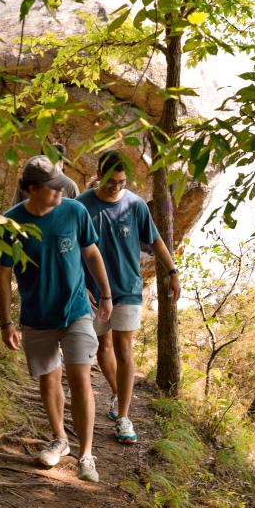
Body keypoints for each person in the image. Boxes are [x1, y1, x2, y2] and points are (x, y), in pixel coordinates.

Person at [0, 155, 113, 483]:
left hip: (75, 311)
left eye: (62, 185)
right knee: (49, 378)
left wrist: (105, 293)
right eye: (53, 188)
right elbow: (3, 275)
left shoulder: (74, 211)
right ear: (32, 189)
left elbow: (91, 252)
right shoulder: (10, 224)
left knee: (80, 379)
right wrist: (6, 322)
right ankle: (60, 438)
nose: (61, 192)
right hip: (36, 316)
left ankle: (86, 454)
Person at [76, 151, 181, 444]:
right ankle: (115, 392)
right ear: (99, 174)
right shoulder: (82, 205)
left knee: (124, 348)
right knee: (102, 346)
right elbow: (70, 246)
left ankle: (123, 416)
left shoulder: (134, 205)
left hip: (127, 288)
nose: (116, 187)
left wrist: (172, 271)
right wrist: (78, 283)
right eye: (111, 182)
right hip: (92, 290)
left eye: (121, 182)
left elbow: (156, 239)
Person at [11, 143, 79, 205]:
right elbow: (14, 209)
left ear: (62, 163)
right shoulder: (27, 181)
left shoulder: (70, 186)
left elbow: (79, 212)